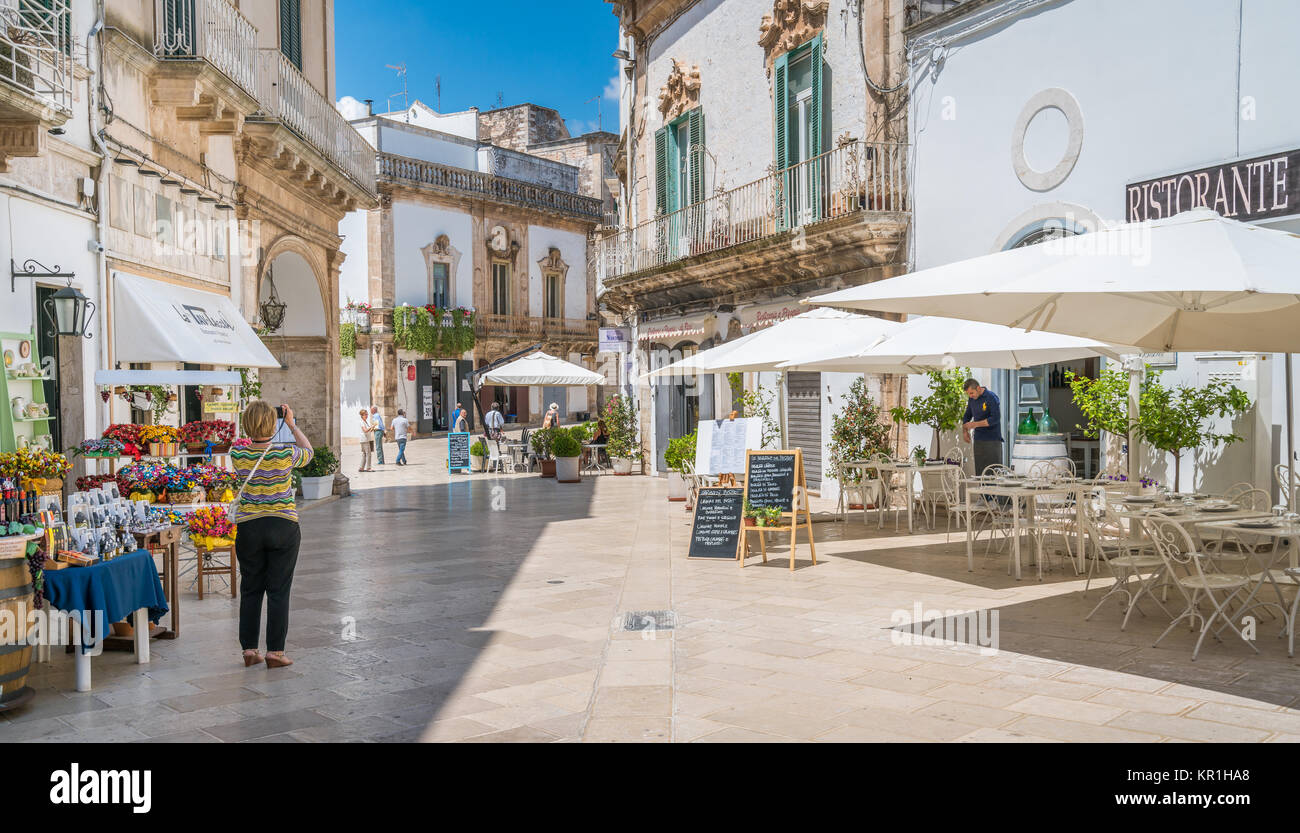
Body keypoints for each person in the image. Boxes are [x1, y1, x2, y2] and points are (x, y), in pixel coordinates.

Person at [230, 401, 313, 669]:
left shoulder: (237, 454)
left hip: (250, 526)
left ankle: (250, 651)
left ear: (247, 424)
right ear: (272, 423)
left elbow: (243, 443)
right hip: (283, 525)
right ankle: (275, 653)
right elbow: (309, 452)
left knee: (250, 588)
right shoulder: (286, 453)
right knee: (279, 590)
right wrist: (290, 423)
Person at [961, 377, 1003, 476]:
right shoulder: (972, 399)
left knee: (993, 473)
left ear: (978, 388)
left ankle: (994, 492)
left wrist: (975, 424)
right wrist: (964, 431)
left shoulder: (991, 397)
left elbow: (995, 418)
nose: (970, 396)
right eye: (968, 394)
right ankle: (982, 492)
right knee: (980, 473)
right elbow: (967, 415)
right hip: (979, 440)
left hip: (992, 440)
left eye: (971, 393)